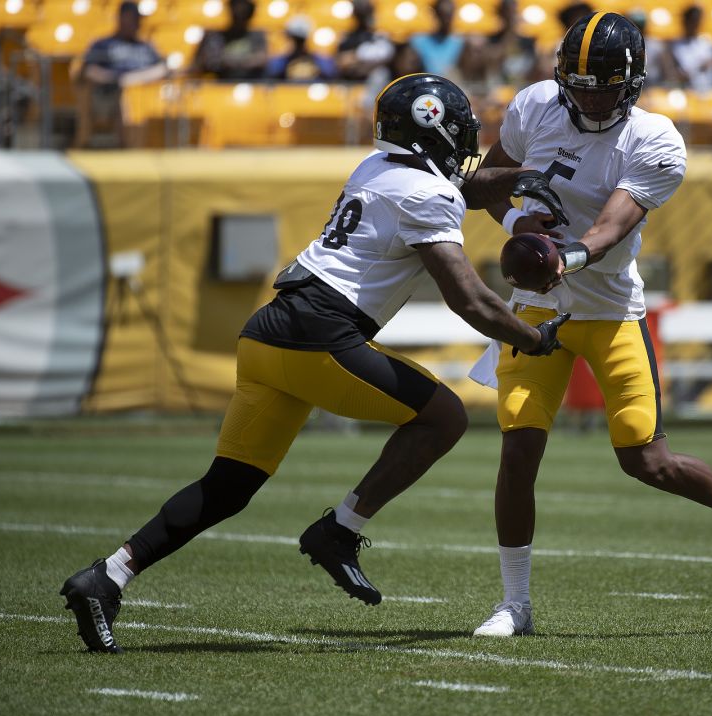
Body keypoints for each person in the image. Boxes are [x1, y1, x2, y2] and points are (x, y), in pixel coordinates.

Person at [59, 74, 574, 653]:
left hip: (268, 333)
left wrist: (521, 179)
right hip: (320, 335)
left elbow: (463, 187)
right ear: (435, 131)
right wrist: (533, 340)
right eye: (456, 132)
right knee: (444, 417)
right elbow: (469, 298)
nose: (464, 145)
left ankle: (108, 575)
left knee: (228, 485)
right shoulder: (425, 195)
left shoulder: (375, 171)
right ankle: (339, 530)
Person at [468, 12, 712, 638]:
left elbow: (611, 225)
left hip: (608, 307)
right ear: (563, 77)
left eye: (604, 83)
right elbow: (486, 183)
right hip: (538, 310)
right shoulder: (535, 105)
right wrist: (517, 228)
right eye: (581, 82)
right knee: (517, 452)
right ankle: (515, 604)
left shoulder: (656, 140)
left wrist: (560, 258)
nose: (591, 94)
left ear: (633, 81)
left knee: (647, 460)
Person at [74, 2, 167, 148]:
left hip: (145, 93)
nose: (138, 23)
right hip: (108, 94)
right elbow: (86, 71)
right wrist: (115, 80)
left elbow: (163, 69)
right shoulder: (103, 44)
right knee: (126, 97)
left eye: (139, 19)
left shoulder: (146, 46)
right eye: (134, 19)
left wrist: (132, 80)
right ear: (122, 18)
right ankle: (128, 148)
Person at [189, 0, 269, 80]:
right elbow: (203, 62)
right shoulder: (216, 36)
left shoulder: (257, 35)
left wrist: (229, 61)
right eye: (235, 6)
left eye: (244, 9)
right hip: (220, 85)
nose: (239, 12)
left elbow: (261, 60)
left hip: (252, 83)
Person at [663, 5, 712, 91]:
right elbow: (672, 71)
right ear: (685, 21)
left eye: (696, 21)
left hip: (710, 89)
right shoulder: (674, 45)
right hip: (687, 89)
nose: (694, 24)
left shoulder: (707, 42)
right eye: (691, 21)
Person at [265, 15, 336, 81]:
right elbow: (271, 77)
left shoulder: (320, 60)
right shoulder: (281, 61)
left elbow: (331, 76)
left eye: (300, 40)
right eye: (296, 39)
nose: (298, 43)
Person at [410, 0, 466, 77]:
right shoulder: (418, 40)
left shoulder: (461, 41)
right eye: (442, 14)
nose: (446, 19)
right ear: (435, 14)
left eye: (449, 14)